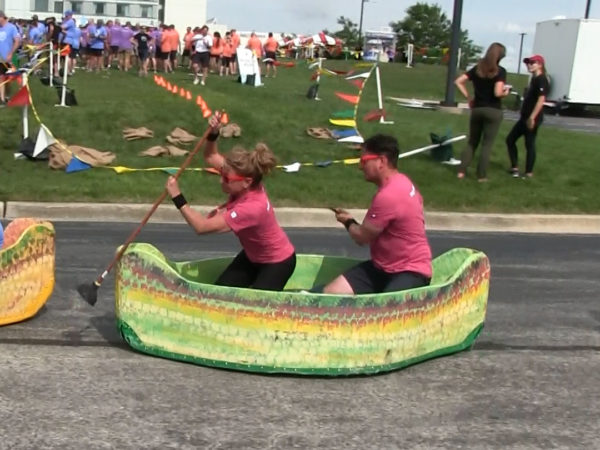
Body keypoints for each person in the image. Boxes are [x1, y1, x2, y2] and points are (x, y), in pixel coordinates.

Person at [165, 114, 296, 291]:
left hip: (277, 263)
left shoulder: (251, 209)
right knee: (222, 294)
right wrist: (213, 133)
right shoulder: (245, 177)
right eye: (222, 175)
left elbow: (201, 227)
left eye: (227, 179)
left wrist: (177, 196)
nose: (221, 181)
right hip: (253, 256)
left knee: (254, 308)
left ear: (246, 182)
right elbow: (211, 157)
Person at [322, 134, 432, 295]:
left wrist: (348, 221)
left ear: (381, 161)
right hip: (382, 268)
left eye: (364, 160)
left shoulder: (389, 195)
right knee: (331, 293)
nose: (360, 166)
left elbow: (362, 237)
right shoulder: (403, 181)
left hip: (409, 271)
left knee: (385, 310)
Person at [455, 42, 510, 182]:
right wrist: (506, 92)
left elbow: (459, 81)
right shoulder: (500, 71)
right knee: (487, 144)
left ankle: (461, 171)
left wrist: (468, 97)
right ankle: (481, 175)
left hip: (477, 109)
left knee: (472, 142)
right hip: (493, 110)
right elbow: (497, 93)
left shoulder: (477, 69)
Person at [506, 54, 549, 178]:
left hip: (532, 118)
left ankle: (528, 172)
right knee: (510, 140)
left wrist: (532, 117)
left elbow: (541, 100)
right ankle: (515, 167)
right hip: (524, 117)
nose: (529, 65)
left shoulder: (542, 79)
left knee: (529, 143)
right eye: (528, 63)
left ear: (540, 64)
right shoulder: (534, 79)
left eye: (532, 62)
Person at [0, 10, 21, 105]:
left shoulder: (11, 28)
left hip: (8, 58)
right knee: (1, 77)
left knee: (8, 79)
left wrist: (11, 53)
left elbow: (17, 41)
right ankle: (2, 99)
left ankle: (7, 95)